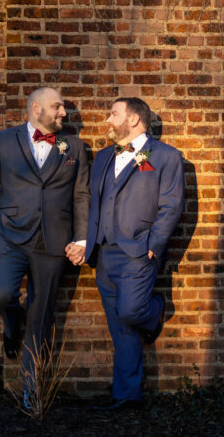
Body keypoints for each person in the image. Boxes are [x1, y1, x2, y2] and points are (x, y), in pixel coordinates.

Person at [0, 87, 90, 404]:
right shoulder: (3, 141)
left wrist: (81, 239)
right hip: (9, 238)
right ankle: (11, 321)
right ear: (36, 109)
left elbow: (81, 196)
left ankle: (31, 389)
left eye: (63, 107)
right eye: (57, 107)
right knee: (0, 295)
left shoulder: (73, 147)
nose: (63, 113)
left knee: (41, 316)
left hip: (54, 242)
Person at [81, 96, 185, 410]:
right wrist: (85, 242)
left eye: (114, 114)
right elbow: (91, 203)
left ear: (135, 119)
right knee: (121, 328)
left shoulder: (166, 157)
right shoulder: (101, 158)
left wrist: (154, 246)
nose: (108, 120)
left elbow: (171, 205)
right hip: (104, 252)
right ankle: (127, 395)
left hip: (139, 253)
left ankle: (155, 311)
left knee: (130, 311)